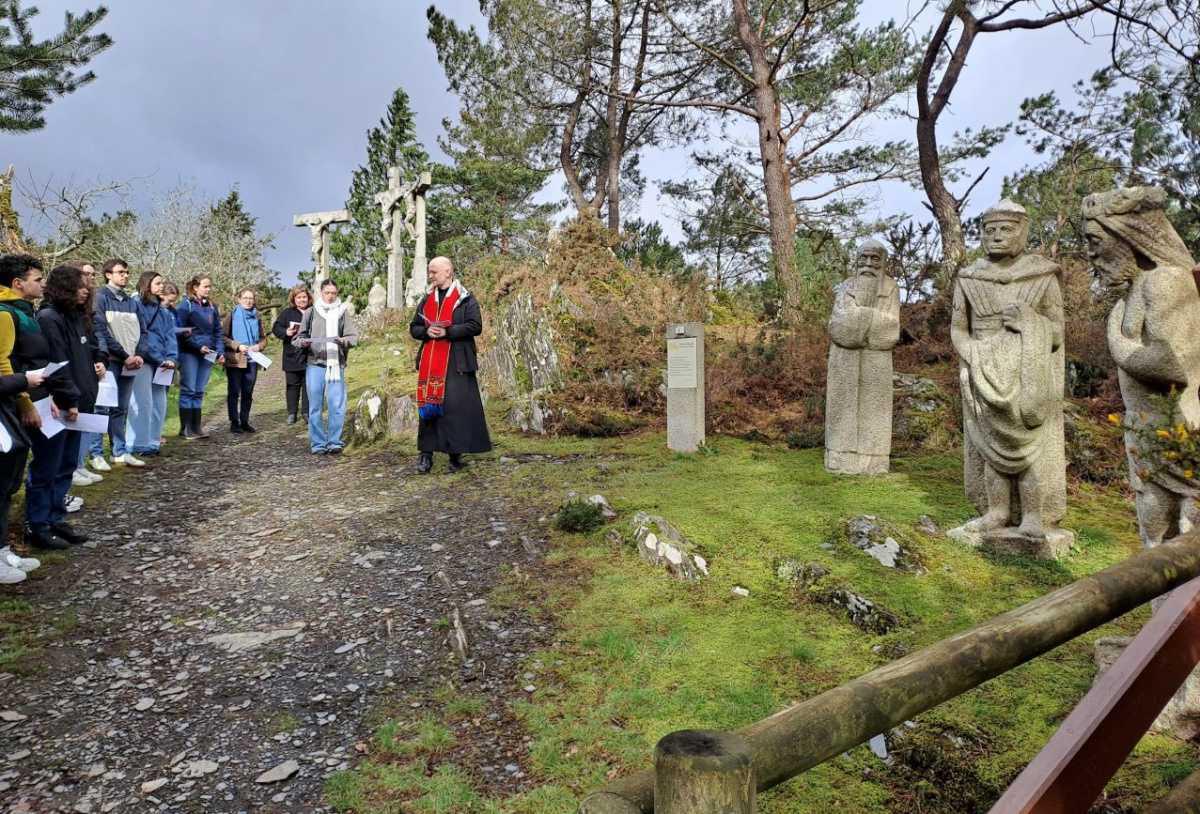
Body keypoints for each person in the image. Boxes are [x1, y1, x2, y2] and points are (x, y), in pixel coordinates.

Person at [27, 265, 102, 550]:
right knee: (47, 466)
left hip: (77, 404)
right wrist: (68, 399)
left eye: (87, 285)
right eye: (80, 285)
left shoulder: (77, 317)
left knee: (67, 465)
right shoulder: (48, 318)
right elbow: (56, 363)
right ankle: (38, 525)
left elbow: (84, 358)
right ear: (65, 287)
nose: (86, 289)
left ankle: (56, 518)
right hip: (58, 406)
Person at [409, 257, 492, 473]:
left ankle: (455, 456)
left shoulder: (465, 298)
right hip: (430, 361)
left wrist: (448, 331)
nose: (430, 275)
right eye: (429, 272)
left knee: (455, 410)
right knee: (428, 409)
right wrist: (426, 331)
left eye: (434, 271)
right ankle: (425, 456)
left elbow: (475, 325)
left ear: (447, 271)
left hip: (457, 362)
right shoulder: (427, 300)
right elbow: (414, 327)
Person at [0, 254, 47, 580]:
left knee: (7, 484)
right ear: (18, 283)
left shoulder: (24, 311)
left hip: (14, 399)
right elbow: (4, 363)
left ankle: (4, 550)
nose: (42, 284)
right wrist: (25, 399)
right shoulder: (5, 314)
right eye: (37, 278)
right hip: (9, 402)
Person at [91, 258, 145, 468]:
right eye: (121, 272)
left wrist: (138, 354)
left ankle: (119, 451)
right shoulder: (100, 298)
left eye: (127, 272)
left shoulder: (132, 302)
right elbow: (101, 331)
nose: (125, 275)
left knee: (121, 408)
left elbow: (142, 330)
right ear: (108, 274)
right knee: (102, 407)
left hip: (131, 362)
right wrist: (125, 356)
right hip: (112, 361)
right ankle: (96, 454)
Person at [294, 279, 357, 454]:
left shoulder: (342, 313)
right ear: (321, 293)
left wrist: (342, 340)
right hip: (315, 364)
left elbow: (353, 337)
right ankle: (318, 443)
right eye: (327, 293)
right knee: (315, 405)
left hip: (336, 364)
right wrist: (304, 343)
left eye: (333, 293)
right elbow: (298, 338)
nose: (330, 296)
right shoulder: (310, 313)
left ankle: (334, 441)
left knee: (336, 404)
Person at [126, 272, 177, 456]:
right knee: (141, 402)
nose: (161, 285)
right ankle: (136, 443)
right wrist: (158, 358)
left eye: (162, 282)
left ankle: (153, 441)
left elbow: (170, 337)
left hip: (163, 363)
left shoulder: (164, 311)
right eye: (157, 282)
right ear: (147, 284)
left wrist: (171, 358)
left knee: (159, 403)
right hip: (145, 360)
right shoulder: (135, 305)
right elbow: (140, 335)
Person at [175, 274, 224, 439]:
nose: (208, 289)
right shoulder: (185, 306)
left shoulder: (211, 306)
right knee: (189, 389)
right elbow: (181, 331)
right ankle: (186, 428)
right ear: (195, 287)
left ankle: (196, 427)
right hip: (190, 353)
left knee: (199, 390)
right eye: (205, 286)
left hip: (208, 354)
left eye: (210, 286)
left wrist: (220, 351)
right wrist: (197, 346)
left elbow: (217, 330)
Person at [72, 262, 105, 488]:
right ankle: (73, 466)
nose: (90, 280)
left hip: (91, 370)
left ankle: (80, 464)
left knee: (87, 418)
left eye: (93, 275)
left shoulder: (89, 308)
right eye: (86, 275)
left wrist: (101, 359)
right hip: (75, 375)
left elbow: (95, 338)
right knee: (75, 422)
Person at [223, 287, 267, 433]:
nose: (248, 301)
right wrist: (237, 345)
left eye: (251, 298)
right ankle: (234, 422)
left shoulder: (257, 316)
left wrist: (259, 346)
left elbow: (263, 338)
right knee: (234, 392)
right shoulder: (232, 315)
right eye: (245, 298)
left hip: (253, 360)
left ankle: (245, 421)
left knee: (248, 392)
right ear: (239, 299)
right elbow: (223, 337)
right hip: (236, 359)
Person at [271, 285, 311, 424]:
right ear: (294, 299)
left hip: (310, 354)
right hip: (291, 355)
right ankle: (292, 413)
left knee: (308, 385)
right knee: (292, 385)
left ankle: (306, 412)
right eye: (299, 297)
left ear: (308, 298)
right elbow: (276, 328)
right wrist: (286, 332)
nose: (302, 300)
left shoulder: (314, 312)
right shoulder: (287, 313)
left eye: (304, 297)